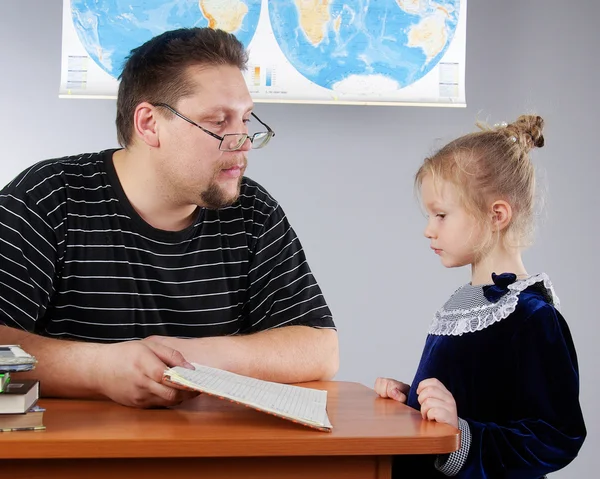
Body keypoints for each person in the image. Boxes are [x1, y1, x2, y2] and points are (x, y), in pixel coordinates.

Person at [0, 27, 338, 409]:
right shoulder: (47, 197)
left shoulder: (253, 212)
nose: (242, 140)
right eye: (217, 122)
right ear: (149, 124)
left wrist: (183, 358)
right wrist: (99, 369)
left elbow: (320, 347)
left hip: (211, 457)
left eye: (245, 119)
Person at [375, 115, 586, 477]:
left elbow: (557, 435)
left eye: (441, 215)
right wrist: (413, 400)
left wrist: (463, 437)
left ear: (497, 215)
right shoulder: (467, 302)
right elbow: (472, 397)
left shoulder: (533, 316)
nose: (428, 230)